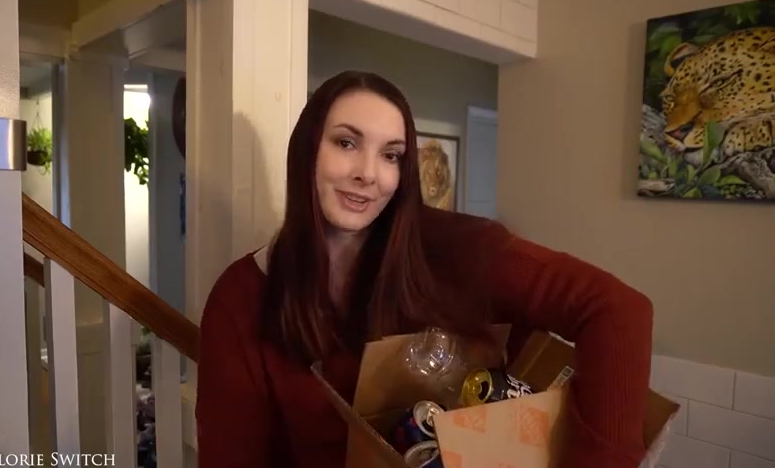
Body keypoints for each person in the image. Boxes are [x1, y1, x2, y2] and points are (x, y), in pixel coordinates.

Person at [196, 71, 653, 468]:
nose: (368, 173)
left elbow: (616, 310)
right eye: (346, 143)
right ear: (306, 152)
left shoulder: (456, 247)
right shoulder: (243, 296)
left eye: (391, 155)